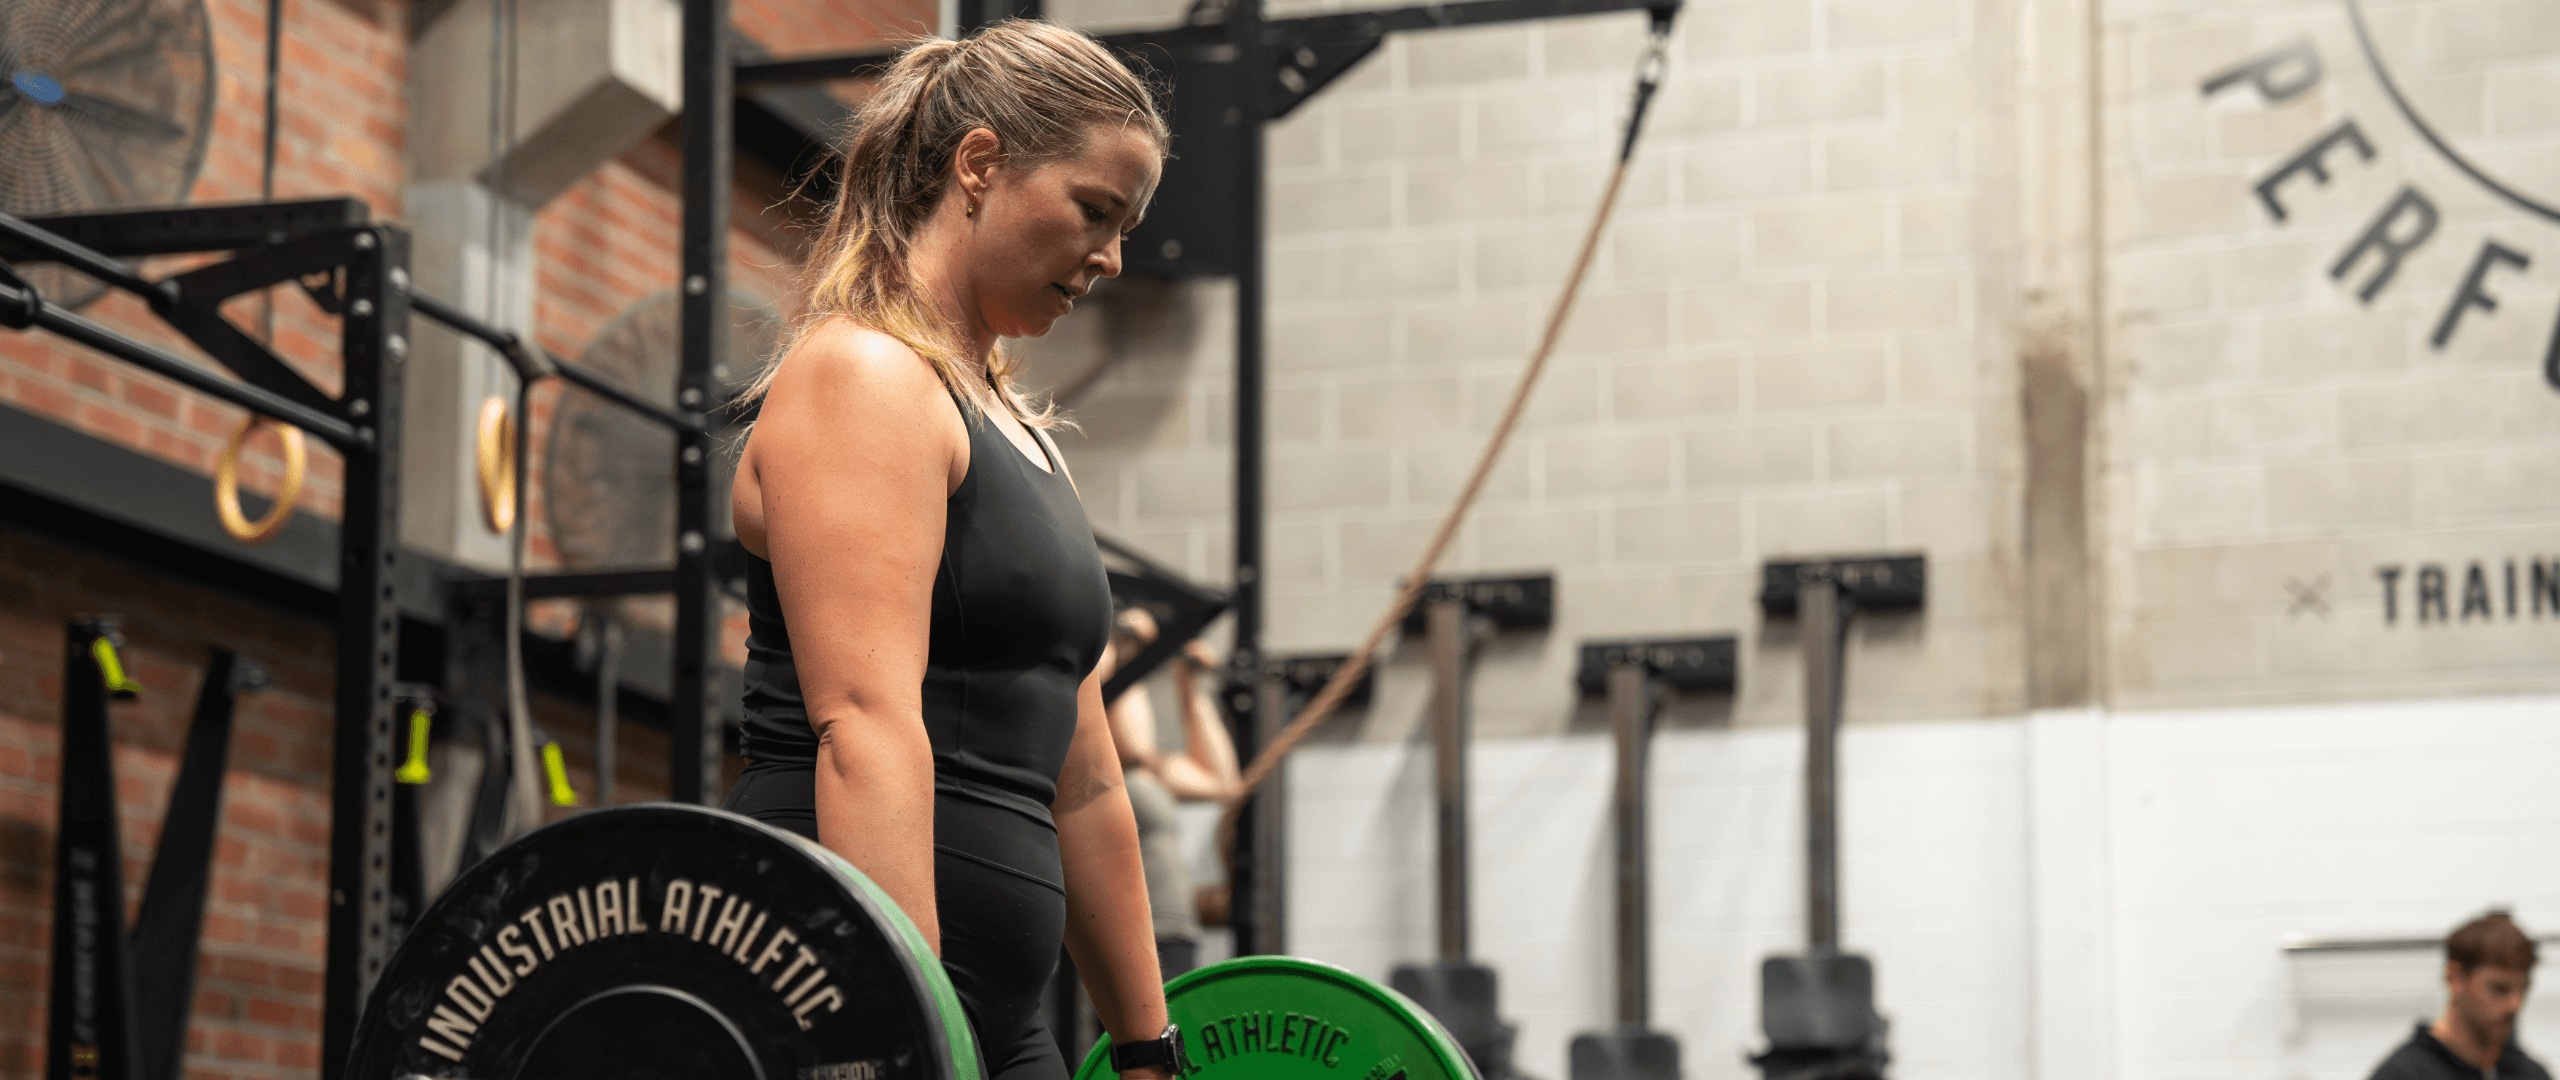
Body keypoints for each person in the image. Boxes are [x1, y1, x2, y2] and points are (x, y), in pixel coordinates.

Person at [718, 21, 1174, 1080]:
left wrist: (1149, 1047)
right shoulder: (864, 377)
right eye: (1093, 212)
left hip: (1000, 1011)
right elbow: (861, 726)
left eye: (1125, 226)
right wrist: (908, 1028)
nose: (1109, 258)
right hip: (852, 981)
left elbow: (1089, 783)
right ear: (980, 165)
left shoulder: (1015, 428)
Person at [1101, 608, 1241, 978]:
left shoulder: (1147, 772)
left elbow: (1223, 782)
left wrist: (1189, 685)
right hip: (1130, 937)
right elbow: (1132, 743)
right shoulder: (1105, 766)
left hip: (1175, 932)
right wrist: (1131, 651)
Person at [2369, 911, 2550, 1080]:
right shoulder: (2402, 1074)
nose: (2514, 1004)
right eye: (2499, 988)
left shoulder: (2531, 1074)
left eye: (2523, 989)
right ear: (2454, 977)